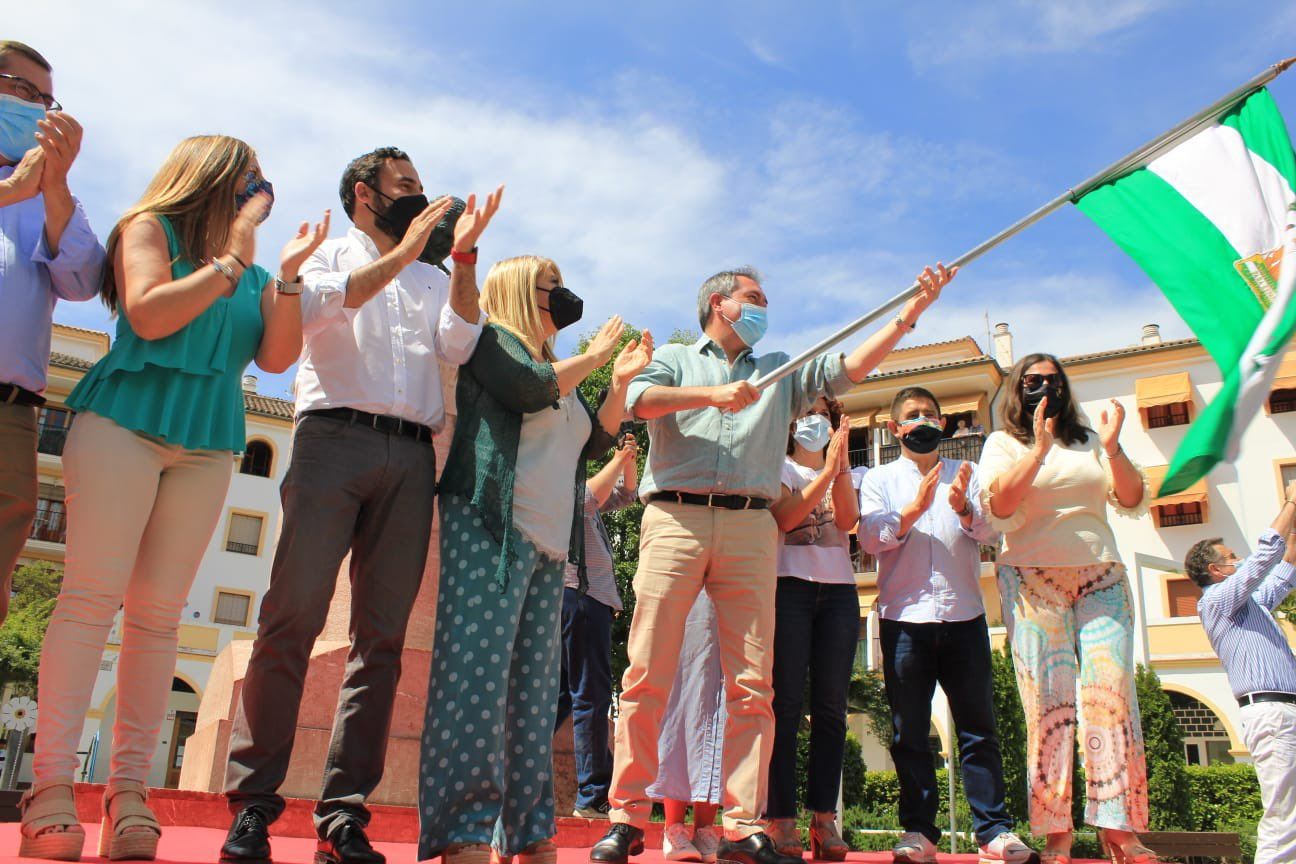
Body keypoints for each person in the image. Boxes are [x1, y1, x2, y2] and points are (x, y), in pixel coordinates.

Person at [18, 135, 325, 862]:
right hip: (122, 420)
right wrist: (232, 257)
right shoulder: (148, 229)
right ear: (215, 179)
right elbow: (151, 315)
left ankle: (128, 795)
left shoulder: (249, 270)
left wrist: (281, 278)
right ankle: (51, 790)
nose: (261, 192)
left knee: (158, 618)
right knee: (91, 598)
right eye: (250, 181)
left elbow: (278, 359)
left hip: (208, 441)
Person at [591, 261, 955, 864]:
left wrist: (909, 314)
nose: (763, 308)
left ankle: (741, 822)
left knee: (752, 684)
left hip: (751, 527)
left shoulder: (779, 368)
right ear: (718, 304)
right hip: (674, 519)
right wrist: (714, 395)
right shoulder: (680, 358)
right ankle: (626, 816)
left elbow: (849, 368)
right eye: (753, 297)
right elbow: (635, 398)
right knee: (646, 673)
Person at [221, 147, 502, 864]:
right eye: (405, 185)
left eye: (422, 185)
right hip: (331, 443)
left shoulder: (434, 275)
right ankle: (253, 804)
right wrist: (405, 250)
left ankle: (344, 813)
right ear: (364, 194)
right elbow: (316, 310)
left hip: (411, 456)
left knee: (381, 642)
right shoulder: (323, 253)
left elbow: (462, 343)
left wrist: (462, 259)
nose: (420, 195)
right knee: (292, 618)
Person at [416, 255, 653, 864]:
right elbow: (525, 390)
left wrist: (620, 380)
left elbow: (592, 440)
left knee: (531, 692)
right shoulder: (494, 342)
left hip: (552, 546)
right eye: (553, 289)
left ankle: (526, 832)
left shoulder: (556, 368)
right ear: (524, 292)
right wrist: (598, 358)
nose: (565, 298)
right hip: (493, 527)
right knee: (478, 682)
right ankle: (464, 831)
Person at [978, 354, 1155, 864]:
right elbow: (1001, 508)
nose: (1044, 387)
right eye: (1032, 380)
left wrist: (1115, 447)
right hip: (1033, 580)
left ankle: (1118, 830)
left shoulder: (1090, 440)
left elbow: (1131, 495)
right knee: (1048, 706)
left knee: (1112, 697)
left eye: (1053, 381)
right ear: (1017, 388)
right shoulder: (1001, 443)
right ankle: (1057, 832)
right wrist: (1036, 450)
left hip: (1101, 574)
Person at [858, 386, 1031, 864]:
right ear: (895, 429)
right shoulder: (878, 478)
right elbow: (870, 538)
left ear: (943, 423)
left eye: (930, 414)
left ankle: (993, 831)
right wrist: (913, 510)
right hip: (903, 621)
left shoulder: (967, 473)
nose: (922, 421)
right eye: (912, 415)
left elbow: (993, 532)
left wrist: (963, 509)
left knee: (979, 728)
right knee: (909, 733)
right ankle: (919, 833)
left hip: (965, 616)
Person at [0, 39, 102, 624]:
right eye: (23, 91)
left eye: (47, 100)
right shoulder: (18, 189)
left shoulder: (52, 195)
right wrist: (12, 192)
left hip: (11, 412)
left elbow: (84, 279)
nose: (38, 110)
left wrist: (54, 187)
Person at [764, 400, 859, 861]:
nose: (813, 419)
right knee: (782, 704)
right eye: (804, 411)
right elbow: (785, 517)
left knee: (831, 709)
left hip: (839, 592)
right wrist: (823, 475)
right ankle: (779, 818)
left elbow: (846, 521)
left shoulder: (845, 470)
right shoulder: (778, 466)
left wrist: (838, 468)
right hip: (789, 589)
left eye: (822, 411)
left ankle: (824, 818)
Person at [1186, 488, 1296, 864]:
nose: (1240, 560)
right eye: (1232, 558)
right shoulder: (1216, 600)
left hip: (1284, 710)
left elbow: (1284, 571)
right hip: (1270, 711)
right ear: (1215, 571)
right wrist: (1291, 504)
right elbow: (1265, 559)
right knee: (1283, 813)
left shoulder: (1252, 604)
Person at [556, 433, 641, 819]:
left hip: (584, 602)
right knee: (590, 696)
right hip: (582, 599)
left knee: (559, 698)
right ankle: (593, 796)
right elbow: (588, 497)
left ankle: (514, 775)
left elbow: (625, 495)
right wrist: (620, 454)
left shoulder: (575, 487)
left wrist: (629, 459)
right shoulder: (558, 484)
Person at [646, 591, 725, 864]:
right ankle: (673, 827)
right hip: (688, 587)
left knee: (720, 706)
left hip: (729, 581)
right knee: (681, 695)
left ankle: (705, 828)